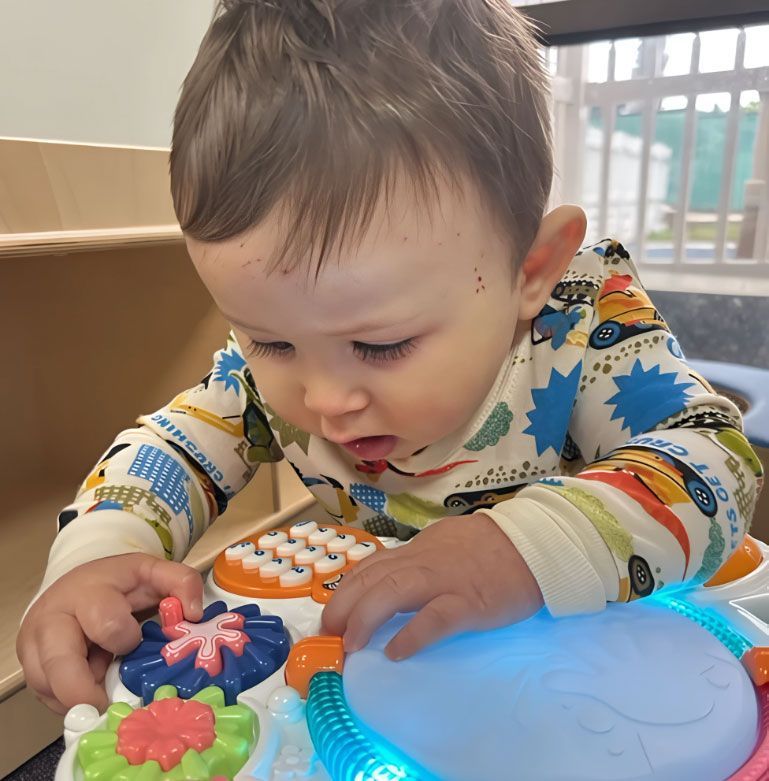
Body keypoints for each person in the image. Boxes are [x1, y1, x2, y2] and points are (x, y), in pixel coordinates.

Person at [17, 0, 762, 716]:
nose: (324, 397)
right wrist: (98, 555)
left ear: (529, 272)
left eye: (380, 345)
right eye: (270, 340)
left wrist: (523, 547)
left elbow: (716, 458)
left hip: (582, 671)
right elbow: (169, 449)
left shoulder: (581, 324)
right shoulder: (271, 379)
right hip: (394, 675)